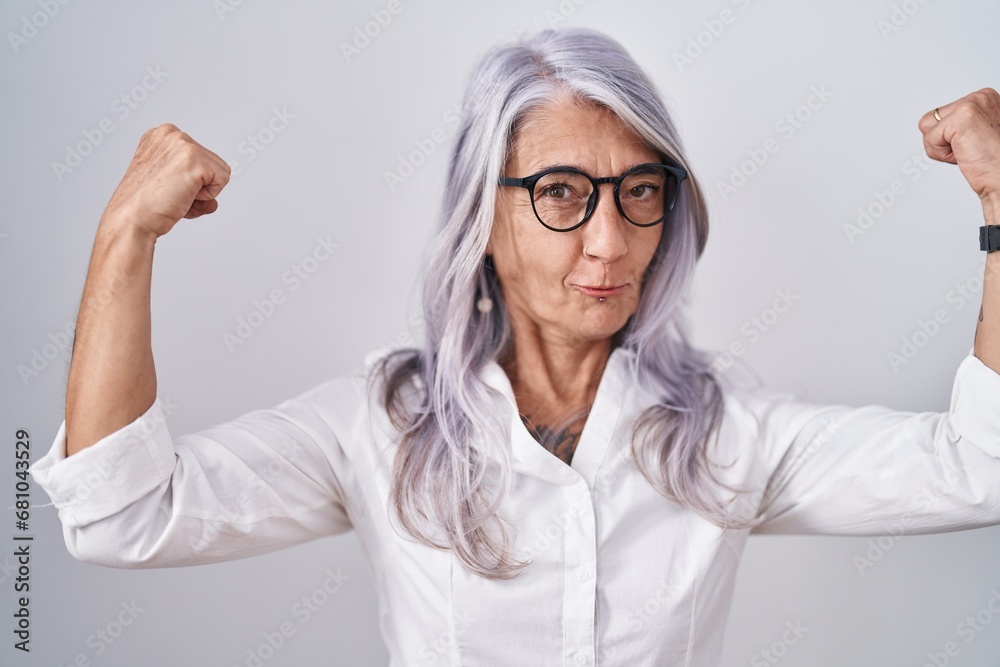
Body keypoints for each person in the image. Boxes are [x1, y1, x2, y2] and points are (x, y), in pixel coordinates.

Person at [29, 26, 1000, 666]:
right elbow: (124, 515)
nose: (611, 241)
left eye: (640, 192)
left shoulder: (723, 430)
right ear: (480, 217)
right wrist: (126, 235)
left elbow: (979, 471)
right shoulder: (381, 424)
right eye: (561, 193)